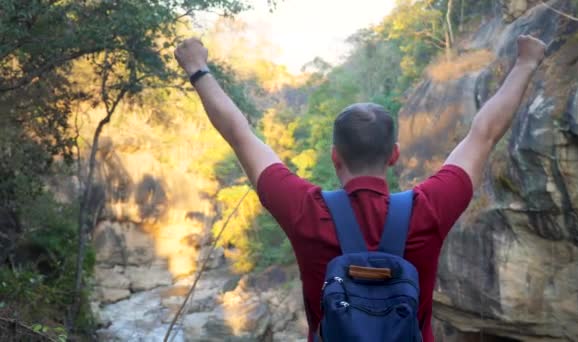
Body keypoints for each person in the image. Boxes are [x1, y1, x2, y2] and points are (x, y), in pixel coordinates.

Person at [174, 34, 547, 341]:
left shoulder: (305, 210)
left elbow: (240, 135)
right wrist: (526, 64)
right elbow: (483, 135)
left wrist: (198, 69)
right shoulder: (428, 209)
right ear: (395, 155)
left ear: (335, 157)